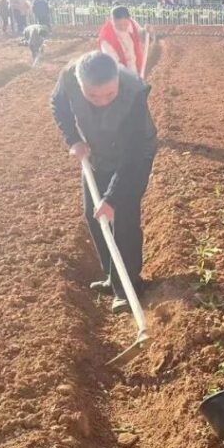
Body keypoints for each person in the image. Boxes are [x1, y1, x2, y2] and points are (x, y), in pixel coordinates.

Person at [51, 51, 157, 313]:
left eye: (109, 95)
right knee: (93, 214)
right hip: (98, 153)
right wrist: (73, 139)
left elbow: (132, 154)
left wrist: (112, 198)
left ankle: (128, 287)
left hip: (134, 156)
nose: (101, 102)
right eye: (93, 96)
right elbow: (59, 106)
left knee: (123, 217)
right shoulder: (68, 77)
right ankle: (113, 276)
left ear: (117, 81)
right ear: (79, 83)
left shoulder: (133, 91)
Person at [98, 5, 145, 76]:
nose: (123, 27)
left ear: (129, 19)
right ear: (112, 20)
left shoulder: (132, 24)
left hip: (136, 68)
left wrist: (146, 31)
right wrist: (130, 78)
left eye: (125, 24)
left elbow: (141, 33)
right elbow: (114, 64)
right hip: (120, 75)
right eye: (119, 25)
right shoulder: (106, 38)